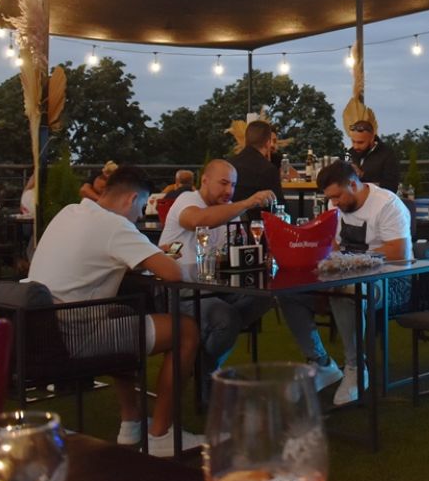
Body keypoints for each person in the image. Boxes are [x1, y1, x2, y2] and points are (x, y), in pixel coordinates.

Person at [26, 165, 202, 457]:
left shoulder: (71, 212)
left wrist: (147, 254)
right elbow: (173, 273)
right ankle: (161, 434)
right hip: (75, 337)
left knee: (120, 313)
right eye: (141, 207)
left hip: (41, 331)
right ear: (131, 199)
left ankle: (131, 422)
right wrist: (161, 256)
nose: (139, 215)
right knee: (186, 330)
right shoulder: (116, 226)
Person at [292, 160, 412, 406]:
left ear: (353, 185)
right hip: (346, 275)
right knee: (290, 293)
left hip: (392, 279)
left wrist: (349, 261)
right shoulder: (335, 205)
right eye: (330, 198)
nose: (333, 203)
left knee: (345, 290)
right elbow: (333, 246)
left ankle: (356, 368)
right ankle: (321, 363)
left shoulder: (387, 204)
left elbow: (398, 251)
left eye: (337, 196)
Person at [158, 159, 276, 373]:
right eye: (223, 183)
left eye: (233, 185)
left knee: (265, 297)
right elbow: (198, 221)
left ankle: (203, 362)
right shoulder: (188, 200)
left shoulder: (229, 211)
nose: (229, 190)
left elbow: (233, 254)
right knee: (225, 318)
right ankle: (208, 370)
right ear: (205, 180)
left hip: (214, 285)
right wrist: (246, 203)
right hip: (179, 287)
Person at [230, 120, 286, 221]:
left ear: (246, 140)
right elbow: (279, 207)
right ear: (268, 143)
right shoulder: (268, 169)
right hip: (258, 225)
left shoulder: (229, 164)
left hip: (230, 223)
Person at [347, 119, 402, 192]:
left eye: (360, 142)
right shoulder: (350, 153)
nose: (355, 146)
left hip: (378, 198)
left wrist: (363, 175)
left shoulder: (387, 154)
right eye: (353, 141)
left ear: (372, 139)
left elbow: (391, 186)